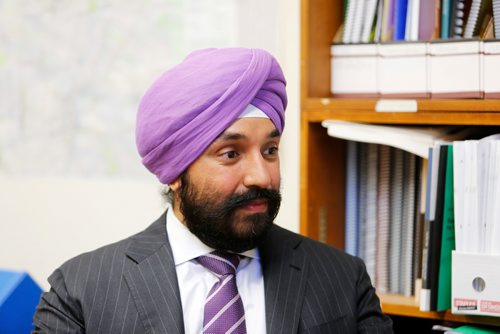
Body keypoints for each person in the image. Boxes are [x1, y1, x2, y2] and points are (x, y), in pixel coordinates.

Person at [33, 48, 393, 333]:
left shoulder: (343, 278)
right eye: (231, 153)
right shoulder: (80, 292)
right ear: (175, 173)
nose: (261, 177)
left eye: (270, 151)